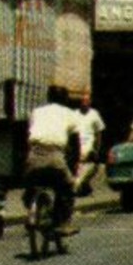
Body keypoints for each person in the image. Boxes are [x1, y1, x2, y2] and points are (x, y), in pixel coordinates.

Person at [25, 85, 82, 234]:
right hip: (55, 156)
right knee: (68, 187)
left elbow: (29, 134)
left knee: (31, 182)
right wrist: (74, 165)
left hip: (34, 154)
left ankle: (31, 210)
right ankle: (63, 223)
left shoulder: (36, 112)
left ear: (48, 98)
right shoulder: (70, 114)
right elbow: (76, 145)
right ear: (65, 99)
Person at [74, 90, 106, 195]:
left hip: (89, 144)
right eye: (82, 100)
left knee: (89, 167)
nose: (84, 103)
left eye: (86, 100)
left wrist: (97, 149)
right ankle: (81, 186)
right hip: (77, 142)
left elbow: (99, 133)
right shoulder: (74, 114)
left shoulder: (94, 114)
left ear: (90, 102)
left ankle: (81, 185)